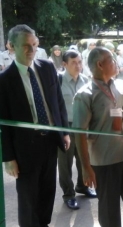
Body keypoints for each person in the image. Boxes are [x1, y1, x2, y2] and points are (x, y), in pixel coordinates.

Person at [0, 24, 71, 227]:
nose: (31, 50)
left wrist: (64, 131)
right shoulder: (4, 81)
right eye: (26, 46)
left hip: (49, 141)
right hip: (24, 149)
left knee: (47, 193)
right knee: (28, 198)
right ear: (12, 47)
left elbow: (58, 102)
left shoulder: (47, 68)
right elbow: (3, 124)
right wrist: (8, 158)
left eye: (34, 44)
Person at [73, 47, 123, 227]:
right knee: (109, 212)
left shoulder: (122, 86)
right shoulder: (85, 95)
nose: (115, 62)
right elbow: (80, 134)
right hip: (104, 161)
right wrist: (86, 167)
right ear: (100, 64)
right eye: (111, 59)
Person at [57, 50, 96, 210]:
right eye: (73, 63)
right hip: (65, 127)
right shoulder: (57, 81)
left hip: (82, 128)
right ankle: (68, 194)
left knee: (83, 159)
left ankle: (83, 186)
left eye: (79, 62)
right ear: (64, 64)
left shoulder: (86, 80)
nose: (78, 66)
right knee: (65, 164)